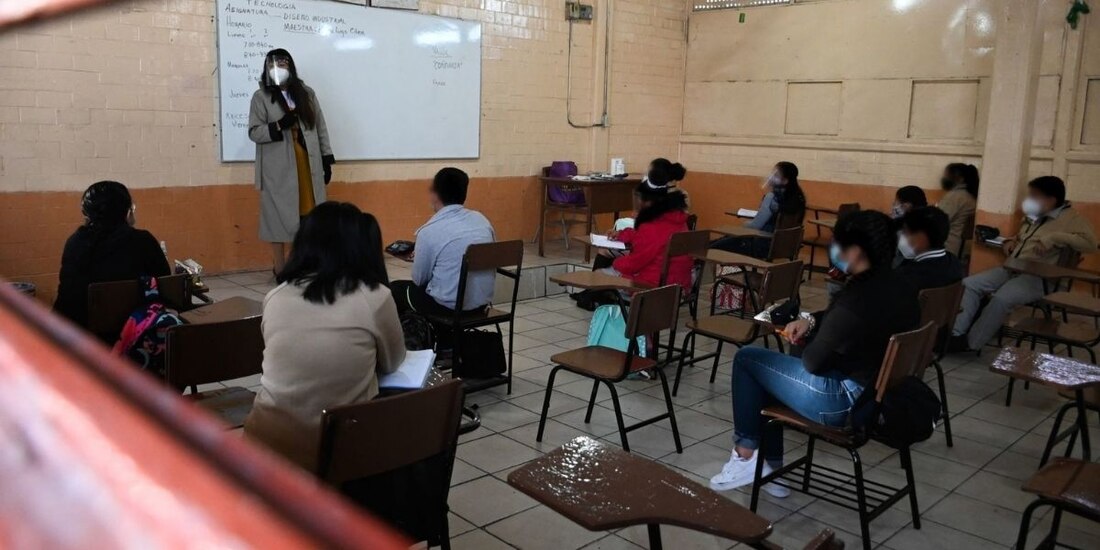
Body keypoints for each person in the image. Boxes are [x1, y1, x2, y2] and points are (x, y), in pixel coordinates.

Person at [709, 210, 919, 494]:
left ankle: (745, 454)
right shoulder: (900, 285)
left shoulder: (855, 300)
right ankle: (770, 467)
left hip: (843, 403)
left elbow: (813, 362)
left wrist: (807, 338)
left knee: (748, 360)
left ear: (856, 251)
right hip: (881, 395)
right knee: (772, 370)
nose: (834, 250)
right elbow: (848, 324)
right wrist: (811, 321)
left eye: (839, 244)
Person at [244, 202, 405, 471]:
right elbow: (393, 362)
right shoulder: (374, 296)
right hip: (335, 451)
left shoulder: (276, 296)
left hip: (263, 443)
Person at [950, 176, 1097, 352]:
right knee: (969, 284)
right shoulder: (1035, 216)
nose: (1030, 200)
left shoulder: (1071, 219)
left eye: (1035, 196)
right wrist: (1010, 241)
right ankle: (955, 335)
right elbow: (1023, 236)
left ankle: (971, 343)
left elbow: (1090, 244)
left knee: (1002, 299)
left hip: (1039, 277)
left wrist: (1054, 238)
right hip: (1012, 269)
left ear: (1051, 200)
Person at [248, 48, 334, 274]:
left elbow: (320, 127)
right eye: (274, 64)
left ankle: (302, 266)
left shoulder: (306, 93)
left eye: (284, 63)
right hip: (278, 170)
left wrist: (326, 158)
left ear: (291, 66)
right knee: (278, 220)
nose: (279, 68)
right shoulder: (261, 97)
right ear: (267, 68)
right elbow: (254, 132)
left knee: (308, 217)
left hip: (307, 163)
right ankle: (280, 268)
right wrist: (278, 125)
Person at [54, 181, 171, 332]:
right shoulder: (142, 241)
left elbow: (67, 297)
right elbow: (165, 282)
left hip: (78, 333)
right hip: (131, 333)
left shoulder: (75, 243)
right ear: (127, 211)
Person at [391, 168, 496, 316]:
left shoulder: (429, 231)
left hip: (448, 309)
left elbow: (419, 280)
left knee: (394, 290)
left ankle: (415, 336)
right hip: (480, 307)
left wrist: (419, 259)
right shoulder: (482, 220)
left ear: (435, 195)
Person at [604, 159, 693, 290]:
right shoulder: (676, 218)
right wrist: (622, 234)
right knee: (609, 256)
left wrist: (615, 263)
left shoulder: (651, 226)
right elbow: (650, 239)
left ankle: (605, 305)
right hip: (680, 284)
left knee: (600, 273)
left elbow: (634, 263)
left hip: (654, 287)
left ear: (649, 202)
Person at [712, 161, 806, 258]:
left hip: (760, 246)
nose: (771, 177)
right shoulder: (799, 199)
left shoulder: (772, 198)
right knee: (725, 240)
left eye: (776, 175)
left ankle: (706, 268)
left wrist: (744, 225)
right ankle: (728, 270)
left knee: (712, 247)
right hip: (784, 247)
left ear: (785, 180)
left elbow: (754, 226)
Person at [896, 207, 964, 291]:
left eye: (905, 232)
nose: (901, 237)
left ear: (921, 239)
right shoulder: (955, 263)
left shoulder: (905, 277)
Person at [937, 163, 979, 257]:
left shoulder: (955, 197)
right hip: (960, 247)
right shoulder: (970, 195)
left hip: (948, 247)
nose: (944, 178)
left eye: (947, 176)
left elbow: (937, 221)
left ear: (960, 178)